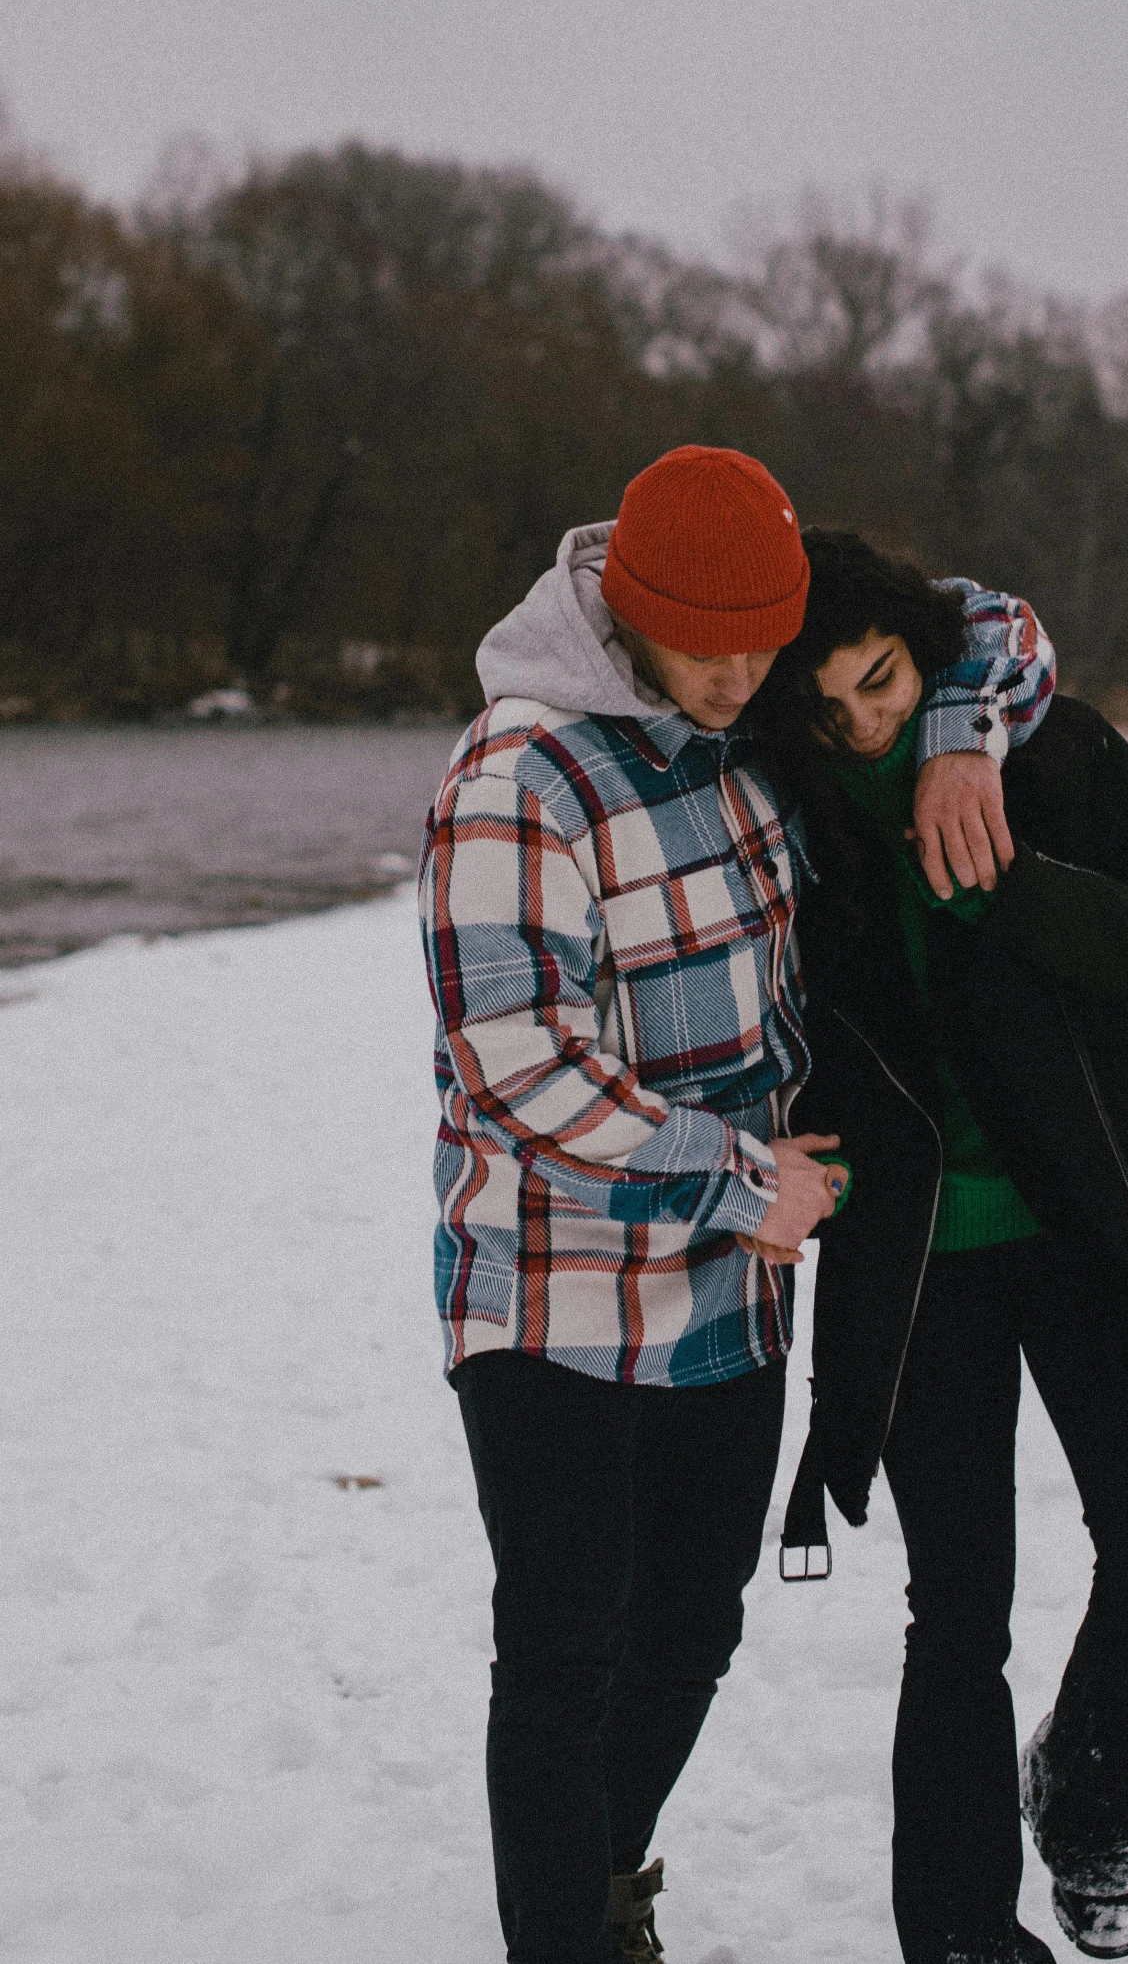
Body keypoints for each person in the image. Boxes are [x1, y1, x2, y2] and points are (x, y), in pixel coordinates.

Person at [417, 449, 1055, 1964]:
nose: (732, 672)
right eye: (702, 644)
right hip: (552, 1293)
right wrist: (738, 1172)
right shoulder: (519, 777)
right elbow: (515, 1064)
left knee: (693, 1629)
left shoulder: (754, 712)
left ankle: (593, 1877)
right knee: (565, 1650)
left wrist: (961, 739)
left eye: (756, 642)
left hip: (733, 1291)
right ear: (627, 613)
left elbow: (995, 625)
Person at [751, 529, 1128, 1964]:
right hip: (917, 1269)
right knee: (953, 1611)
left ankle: (1088, 1792)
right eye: (826, 704)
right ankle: (960, 1937)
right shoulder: (781, 824)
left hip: (1096, 1228)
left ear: (923, 652)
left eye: (883, 680)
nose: (863, 721)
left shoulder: (1050, 750)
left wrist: (1017, 886)